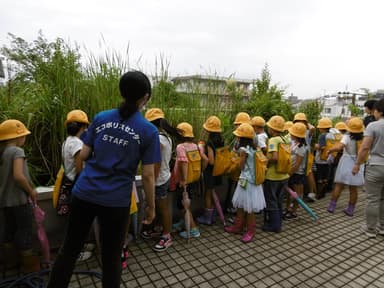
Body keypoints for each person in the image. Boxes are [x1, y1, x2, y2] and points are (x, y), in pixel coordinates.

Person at [47, 71, 159, 288]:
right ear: (145, 98)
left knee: (69, 251)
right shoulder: (148, 131)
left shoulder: (100, 118)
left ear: (122, 91)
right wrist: (151, 207)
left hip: (84, 193)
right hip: (115, 202)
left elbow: (84, 155)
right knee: (111, 258)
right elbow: (147, 175)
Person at [0, 119, 40, 273]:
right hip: (19, 201)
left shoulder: (2, 153)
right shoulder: (17, 151)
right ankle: (30, 268)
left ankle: (10, 264)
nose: (24, 138)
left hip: (4, 202)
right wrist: (31, 191)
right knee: (25, 231)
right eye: (23, 135)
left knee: (8, 232)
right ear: (17, 137)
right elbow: (18, 176)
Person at [142, 108, 180, 251]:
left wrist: (151, 183)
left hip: (158, 180)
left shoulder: (157, 139)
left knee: (163, 208)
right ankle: (159, 229)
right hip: (164, 176)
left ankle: (167, 236)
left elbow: (155, 165)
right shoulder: (166, 136)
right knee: (159, 207)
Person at [224, 123, 265, 242]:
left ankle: (250, 231)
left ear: (242, 138)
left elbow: (241, 166)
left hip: (247, 182)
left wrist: (235, 160)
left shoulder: (243, 150)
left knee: (248, 208)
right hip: (251, 181)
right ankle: (239, 226)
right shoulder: (254, 148)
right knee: (242, 206)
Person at [352, 99, 384, 238]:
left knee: (372, 198)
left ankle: (370, 230)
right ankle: (382, 227)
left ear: (379, 111)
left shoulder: (373, 126)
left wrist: (357, 164)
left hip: (376, 166)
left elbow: (365, 147)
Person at [172, 122, 206, 238]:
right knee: (186, 204)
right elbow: (202, 160)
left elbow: (184, 163)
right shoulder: (195, 146)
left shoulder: (181, 147)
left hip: (184, 181)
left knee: (183, 206)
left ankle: (193, 229)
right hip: (193, 180)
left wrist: (184, 180)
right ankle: (184, 222)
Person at [326, 117, 365, 216]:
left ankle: (332, 206)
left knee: (339, 185)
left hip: (346, 161)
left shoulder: (347, 137)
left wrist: (330, 150)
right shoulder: (364, 137)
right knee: (353, 188)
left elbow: (339, 147)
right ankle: (350, 209)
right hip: (358, 162)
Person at [262, 115, 290, 233]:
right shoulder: (285, 139)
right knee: (278, 200)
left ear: (272, 129)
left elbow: (275, 157)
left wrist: (265, 162)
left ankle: (274, 225)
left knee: (271, 200)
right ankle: (278, 223)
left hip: (273, 176)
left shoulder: (273, 140)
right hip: (284, 175)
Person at [196, 116, 225, 225]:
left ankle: (207, 218)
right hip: (218, 171)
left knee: (207, 194)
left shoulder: (209, 143)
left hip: (210, 173)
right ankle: (212, 216)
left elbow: (210, 161)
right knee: (213, 193)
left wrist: (202, 153)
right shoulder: (221, 141)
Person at [284, 122, 307, 220]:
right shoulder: (295, 143)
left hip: (297, 173)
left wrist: (289, 173)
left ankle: (294, 211)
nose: (291, 134)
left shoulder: (301, 147)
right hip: (292, 172)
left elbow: (297, 164)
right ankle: (288, 208)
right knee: (290, 193)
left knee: (296, 194)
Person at [314, 117, 335, 199]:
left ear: (322, 128)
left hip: (321, 159)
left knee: (319, 177)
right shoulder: (332, 135)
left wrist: (316, 146)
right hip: (328, 159)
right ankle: (323, 193)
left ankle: (319, 194)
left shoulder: (322, 136)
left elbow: (322, 147)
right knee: (325, 177)